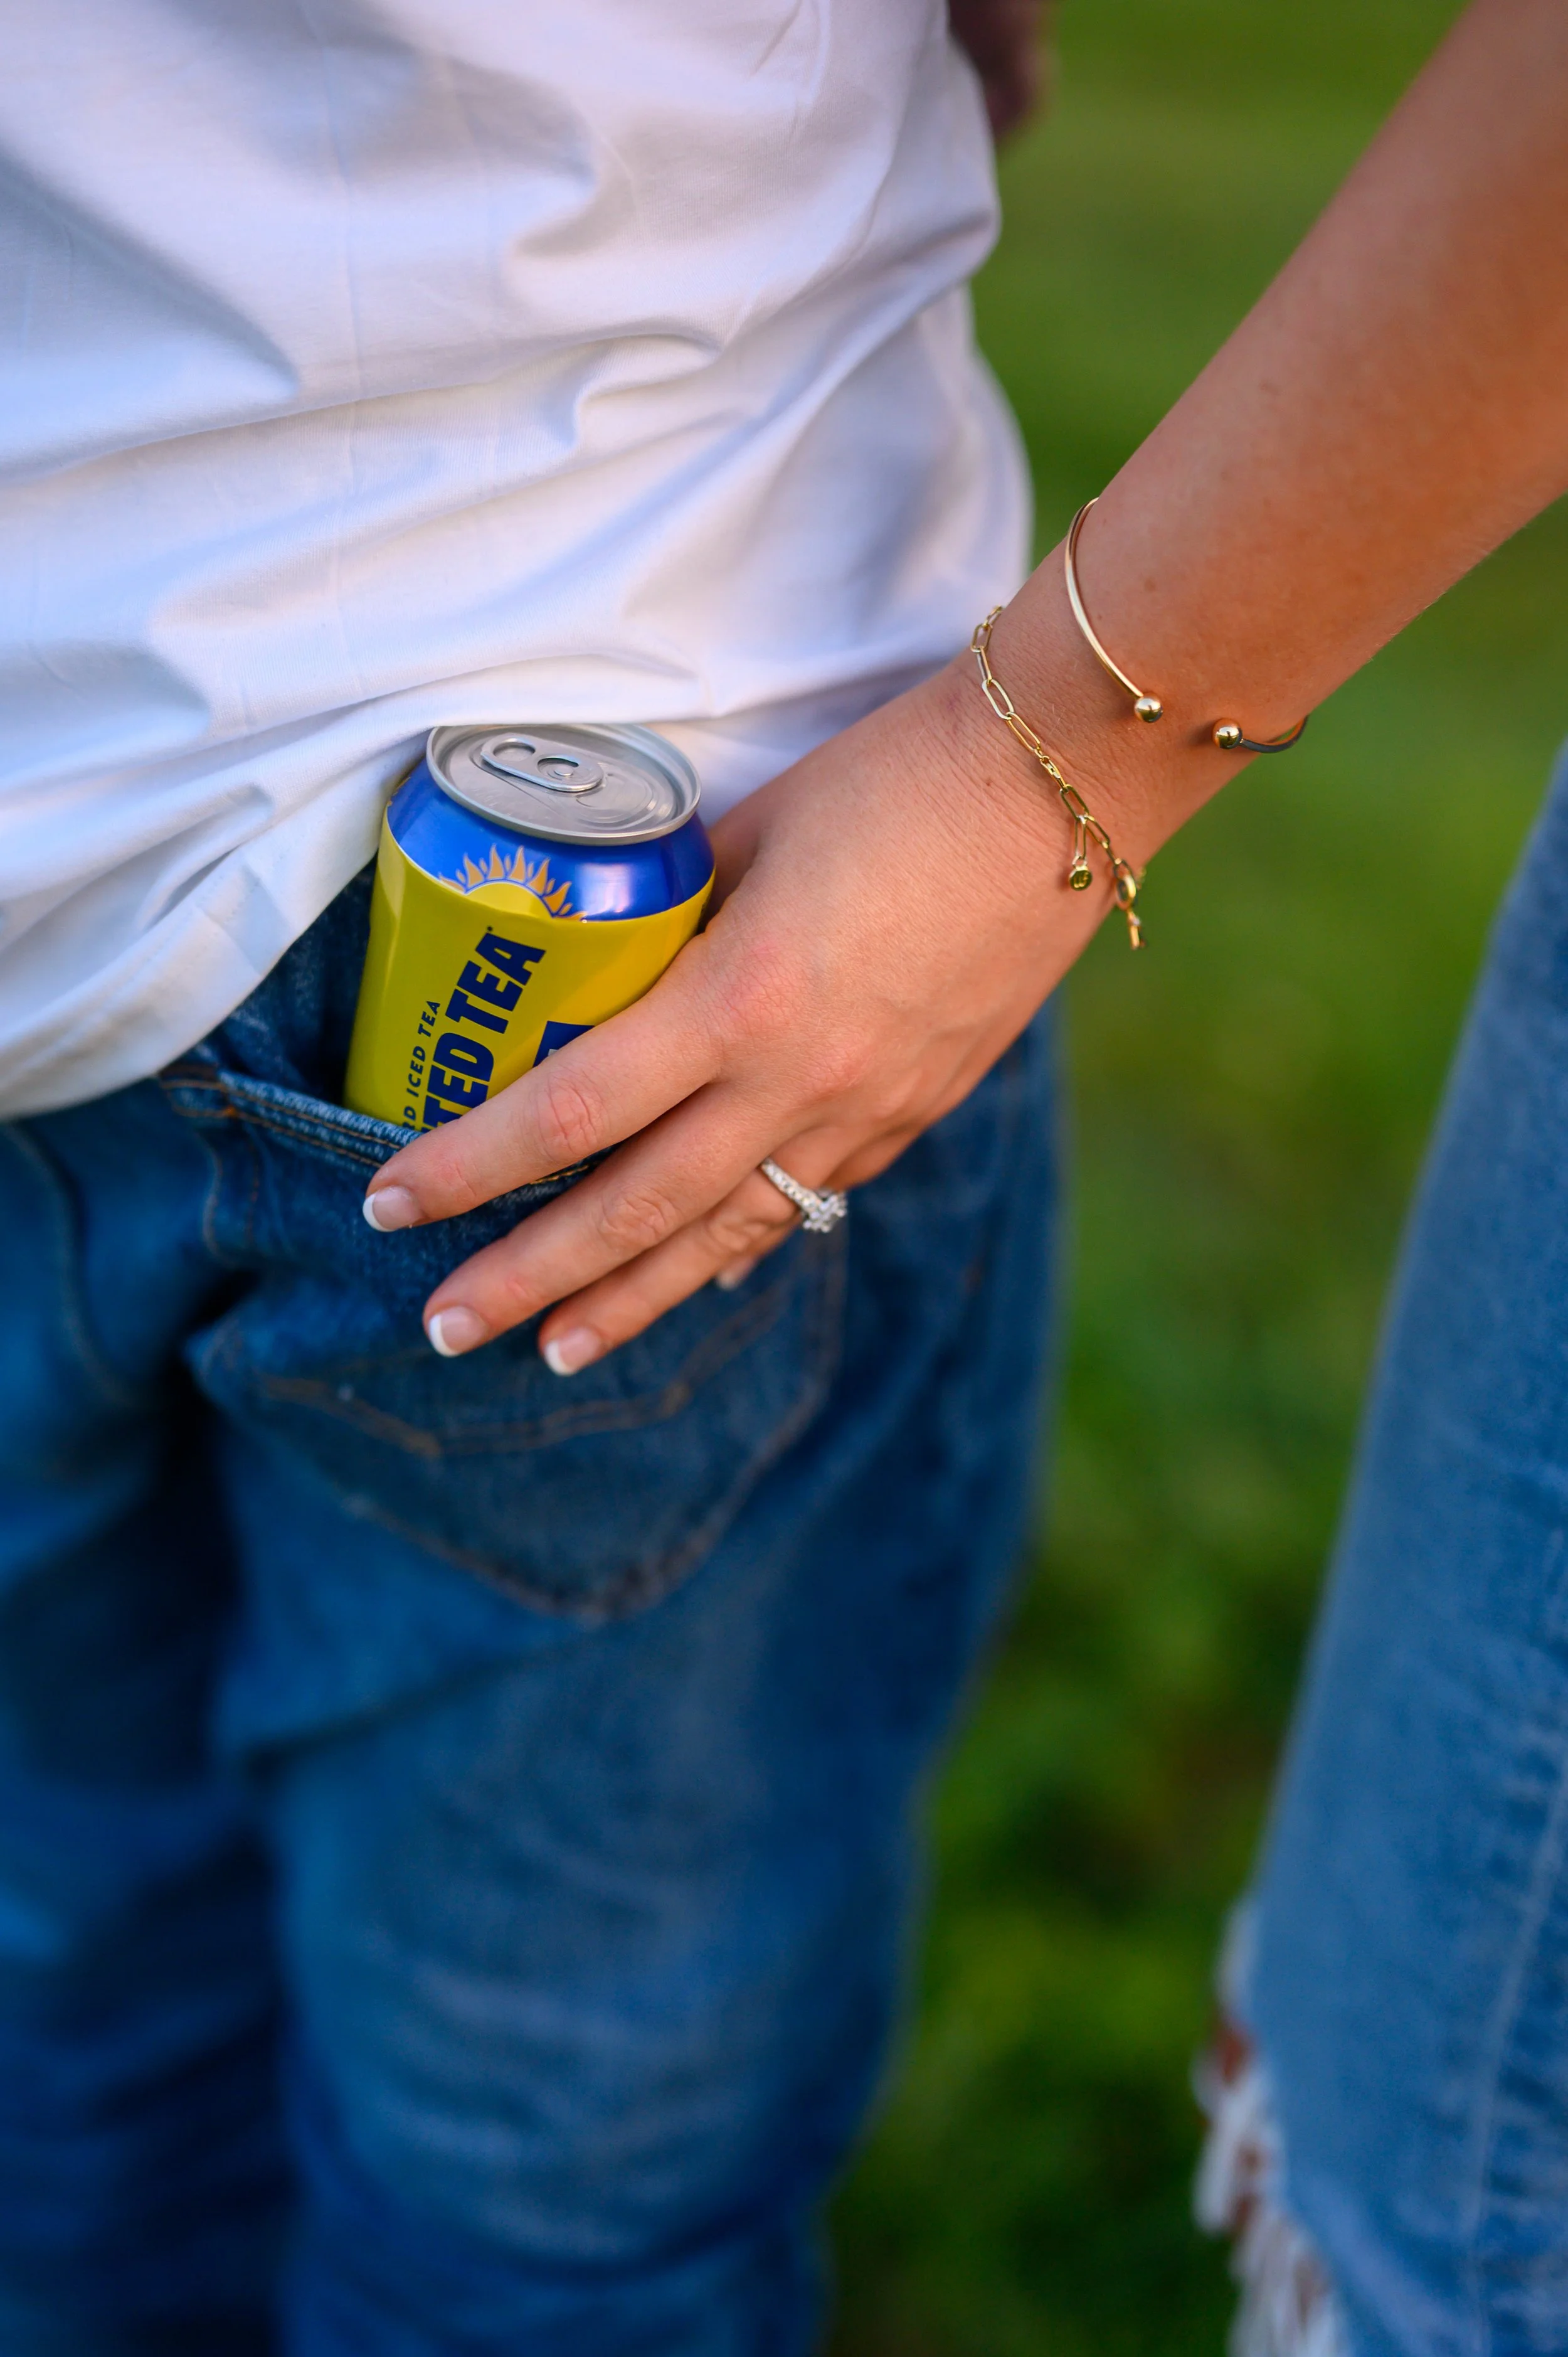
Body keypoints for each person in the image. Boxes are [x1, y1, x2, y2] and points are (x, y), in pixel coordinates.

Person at [0, 0, 1562, 2349]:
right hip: (635, 682)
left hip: (405, 902)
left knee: (86, 2055)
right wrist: (1050, 776)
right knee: (518, 2219)